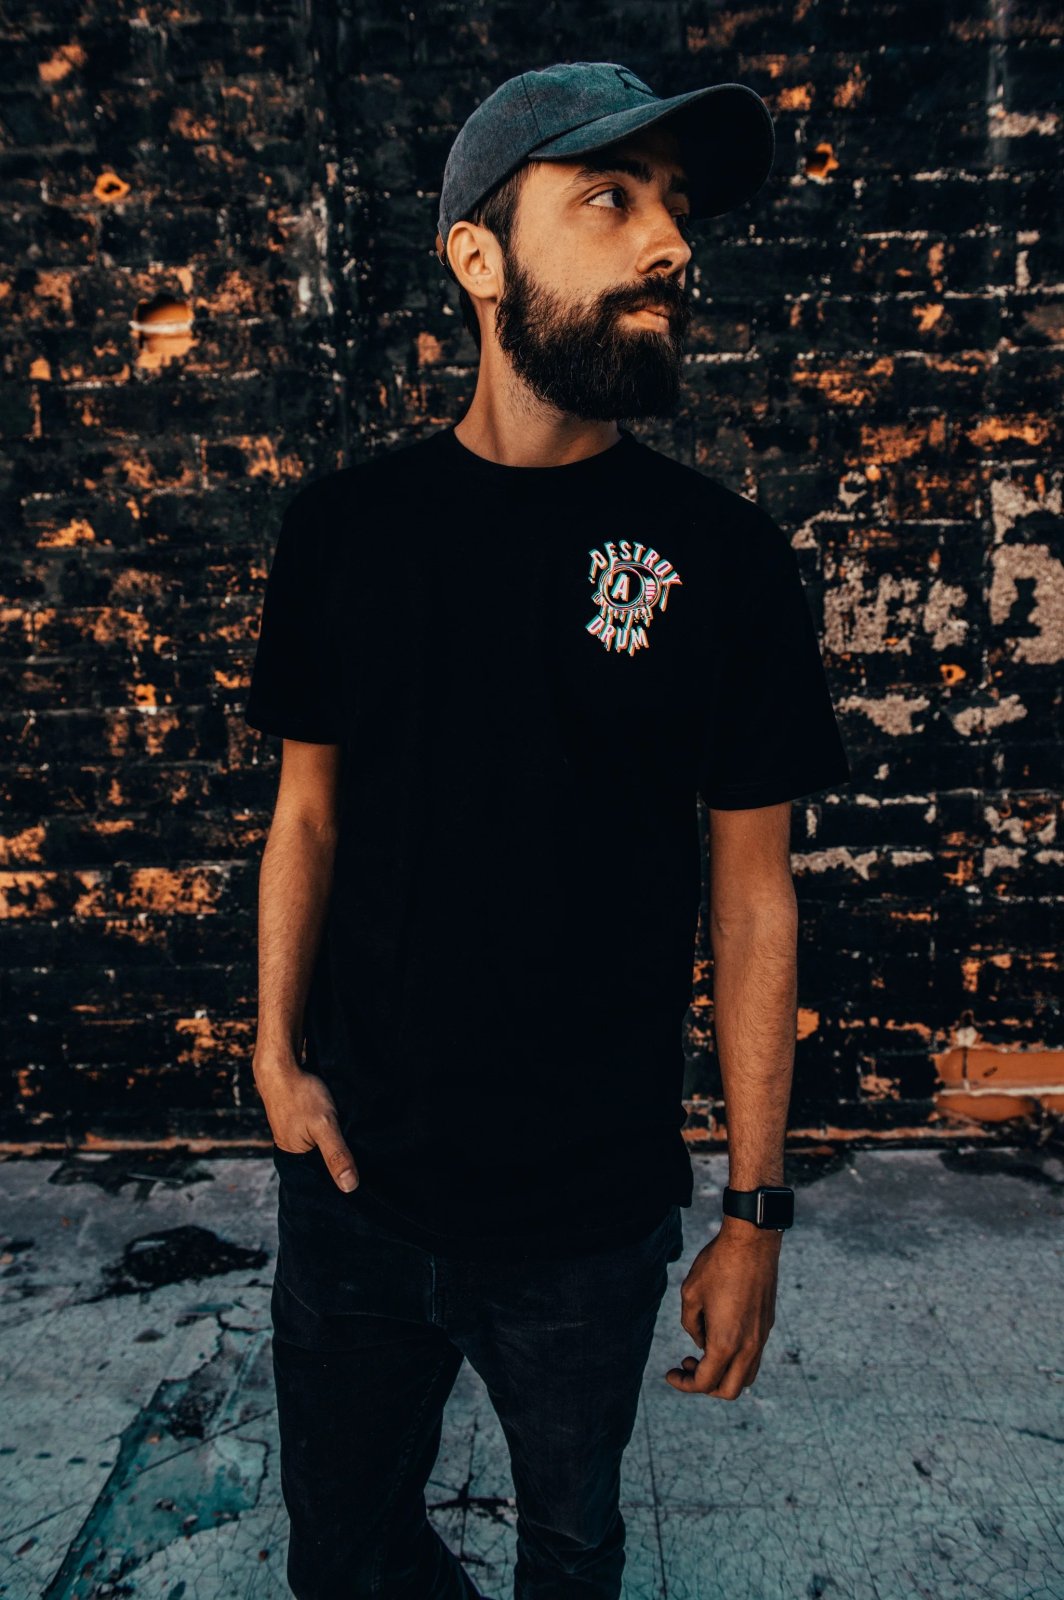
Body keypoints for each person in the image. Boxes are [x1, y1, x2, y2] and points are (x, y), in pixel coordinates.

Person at [245, 60, 852, 1600]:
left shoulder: (723, 560)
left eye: (677, 206)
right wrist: (273, 1059)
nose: (670, 243)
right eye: (610, 198)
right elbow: (305, 814)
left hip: (586, 1220)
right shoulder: (345, 532)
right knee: (346, 1554)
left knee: (571, 1549)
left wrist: (755, 1210)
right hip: (356, 1192)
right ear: (478, 256)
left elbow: (755, 898)